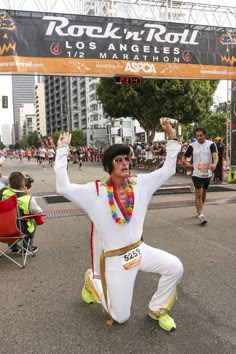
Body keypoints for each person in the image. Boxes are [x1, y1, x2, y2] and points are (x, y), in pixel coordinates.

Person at [54, 120, 183, 332]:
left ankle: (158, 308)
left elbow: (168, 169)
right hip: (115, 259)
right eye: (118, 160)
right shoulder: (94, 192)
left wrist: (171, 137)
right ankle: (93, 283)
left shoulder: (141, 184)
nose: (125, 163)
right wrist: (61, 151)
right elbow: (63, 187)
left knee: (175, 266)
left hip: (140, 250)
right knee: (120, 317)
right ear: (108, 167)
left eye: (126, 159)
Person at [182, 127, 218, 224]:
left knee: (204, 193)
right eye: (197, 136)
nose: (199, 137)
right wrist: (186, 163)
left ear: (205, 135)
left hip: (208, 173)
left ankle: (200, 207)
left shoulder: (211, 144)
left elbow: (215, 156)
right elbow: (183, 157)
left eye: (201, 135)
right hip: (196, 173)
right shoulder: (192, 146)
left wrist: (214, 164)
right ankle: (200, 214)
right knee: (198, 193)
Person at [1, 172, 43, 254]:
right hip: (20, 230)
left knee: (9, 221)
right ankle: (26, 248)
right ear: (24, 187)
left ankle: (14, 248)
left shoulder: (4, 193)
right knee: (32, 223)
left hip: (3, 229)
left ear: (9, 185)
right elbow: (38, 212)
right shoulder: (27, 199)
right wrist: (28, 195)